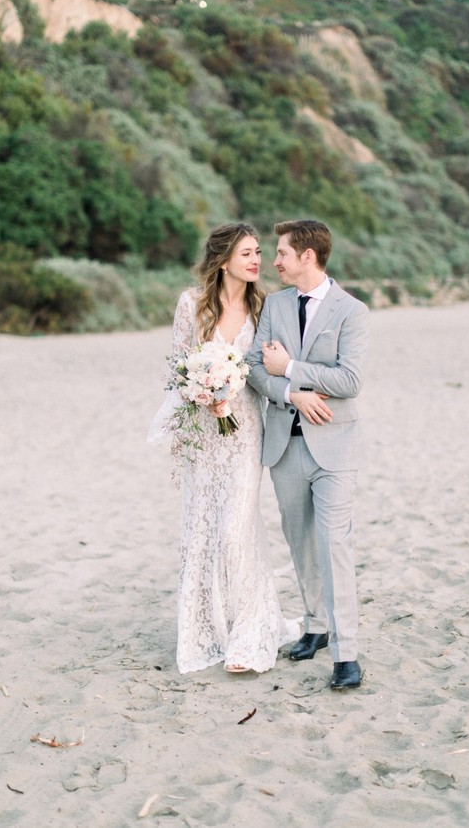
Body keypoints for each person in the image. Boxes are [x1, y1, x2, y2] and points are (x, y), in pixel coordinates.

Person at [148, 223, 298, 675]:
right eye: (248, 253)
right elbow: (179, 366)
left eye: (258, 253)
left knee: (237, 527)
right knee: (203, 528)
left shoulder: (264, 306)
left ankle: (249, 631)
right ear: (224, 258)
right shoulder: (191, 304)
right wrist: (204, 393)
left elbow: (269, 366)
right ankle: (208, 630)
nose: (257, 261)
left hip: (246, 430)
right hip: (203, 434)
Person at [247, 219, 369, 690]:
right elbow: (257, 369)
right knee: (298, 540)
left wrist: (293, 368)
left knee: (333, 544)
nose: (272, 262)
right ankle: (316, 625)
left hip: (335, 447)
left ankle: (346, 653)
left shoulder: (351, 311)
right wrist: (292, 393)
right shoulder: (275, 305)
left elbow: (350, 380)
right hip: (283, 443)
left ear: (308, 257)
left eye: (280, 253)